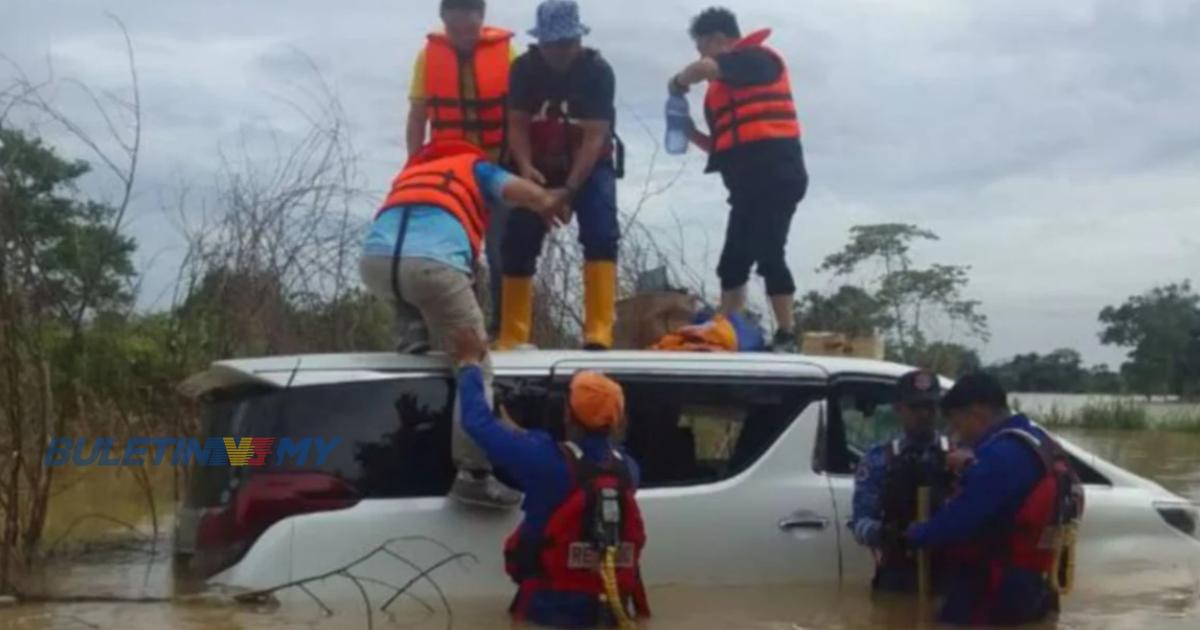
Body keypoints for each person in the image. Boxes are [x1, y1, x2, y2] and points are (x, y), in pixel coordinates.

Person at [359, 139, 567, 508]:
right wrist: (546, 201)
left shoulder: (412, 172)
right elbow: (519, 190)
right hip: (432, 267)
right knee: (476, 363)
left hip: (375, 265)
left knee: (411, 297)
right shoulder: (474, 166)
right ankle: (474, 475)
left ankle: (413, 335)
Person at [452, 327, 650, 628]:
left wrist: (468, 364)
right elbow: (581, 464)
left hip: (547, 610)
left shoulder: (542, 460)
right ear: (617, 421)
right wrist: (520, 436)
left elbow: (476, 423)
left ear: (568, 415)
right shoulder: (628, 470)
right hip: (609, 609)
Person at [667, 7, 810, 352]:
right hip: (745, 186)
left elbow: (703, 70)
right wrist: (690, 133)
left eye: (703, 46)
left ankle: (787, 333)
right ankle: (725, 328)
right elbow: (721, 144)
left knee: (769, 251)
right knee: (732, 261)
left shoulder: (757, 60)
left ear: (719, 40)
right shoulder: (722, 91)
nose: (701, 55)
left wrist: (678, 83)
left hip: (778, 175)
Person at [906, 373, 1085, 626]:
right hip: (1036, 584)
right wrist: (971, 464)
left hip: (993, 587)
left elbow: (961, 522)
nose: (957, 436)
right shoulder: (1039, 442)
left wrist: (917, 533)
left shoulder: (999, 456)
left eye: (957, 425)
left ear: (977, 413)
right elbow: (1013, 488)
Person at [498, 0, 622, 351]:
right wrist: (525, 170)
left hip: (588, 163)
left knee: (601, 231)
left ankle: (599, 330)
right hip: (536, 164)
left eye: (567, 42)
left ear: (578, 39)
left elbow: (596, 136)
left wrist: (566, 192)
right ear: (542, 42)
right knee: (518, 238)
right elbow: (517, 125)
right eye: (552, 43)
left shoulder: (599, 71)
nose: (559, 51)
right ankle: (513, 334)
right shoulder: (523, 69)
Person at [407, 0, 517, 335]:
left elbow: (522, 116)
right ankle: (458, 329)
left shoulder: (508, 54)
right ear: (444, 20)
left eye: (469, 25)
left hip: (498, 169)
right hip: (451, 176)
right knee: (453, 254)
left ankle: (505, 330)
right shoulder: (428, 57)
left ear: (481, 19)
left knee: (503, 252)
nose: (463, 33)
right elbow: (418, 117)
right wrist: (414, 166)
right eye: (455, 27)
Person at [850, 370, 956, 594]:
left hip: (951, 573)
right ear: (899, 409)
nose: (924, 414)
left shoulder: (959, 456)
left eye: (930, 407)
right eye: (915, 407)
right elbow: (859, 523)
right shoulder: (878, 459)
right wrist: (886, 534)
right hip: (898, 572)